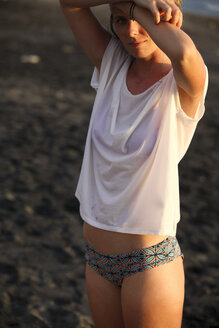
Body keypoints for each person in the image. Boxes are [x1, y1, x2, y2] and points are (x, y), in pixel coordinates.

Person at [59, 1, 208, 327]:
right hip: (97, 259)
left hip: (149, 264)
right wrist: (133, 1)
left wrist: (137, 5)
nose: (131, 31)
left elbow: (182, 53)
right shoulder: (111, 63)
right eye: (120, 21)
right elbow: (70, 4)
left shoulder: (183, 83)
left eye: (141, 20)